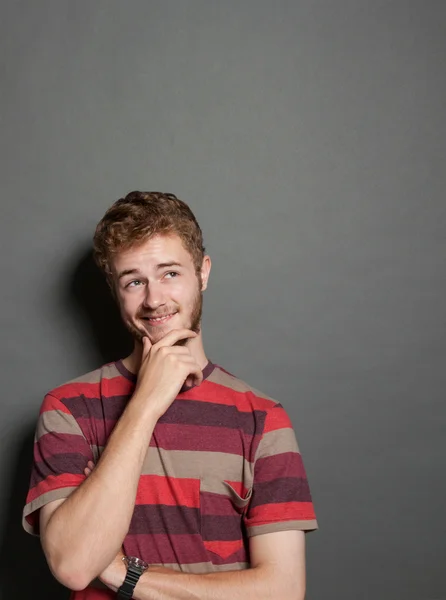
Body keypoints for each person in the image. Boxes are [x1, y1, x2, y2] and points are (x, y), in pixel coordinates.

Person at [22, 191, 318, 600]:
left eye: (170, 274)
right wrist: (145, 403)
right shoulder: (68, 409)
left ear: (203, 274)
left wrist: (122, 573)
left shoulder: (261, 418)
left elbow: (282, 591)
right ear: (115, 290)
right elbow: (73, 565)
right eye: (134, 281)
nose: (154, 299)